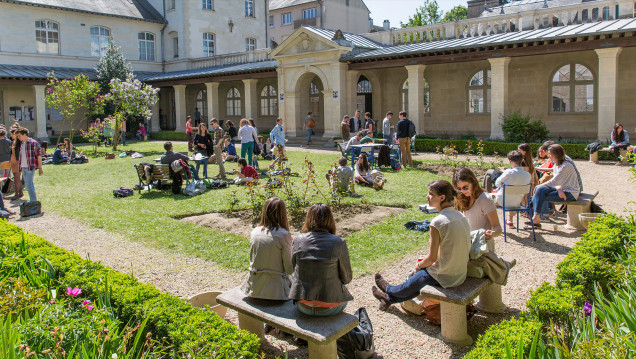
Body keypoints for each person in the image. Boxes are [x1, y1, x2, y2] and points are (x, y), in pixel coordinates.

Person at [372, 180, 470, 310]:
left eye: (431, 194)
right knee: (420, 277)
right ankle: (388, 299)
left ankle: (389, 290)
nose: (427, 197)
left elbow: (431, 258)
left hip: (446, 276)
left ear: (442, 197)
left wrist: (418, 266)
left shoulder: (438, 222)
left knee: (421, 276)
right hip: (460, 272)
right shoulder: (460, 215)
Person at [290, 203, 353, 316]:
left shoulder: (298, 240)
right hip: (330, 307)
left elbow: (292, 268)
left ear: (308, 218)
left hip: (303, 305)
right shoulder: (338, 242)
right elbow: (347, 278)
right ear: (330, 219)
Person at [241, 197, 293, 300]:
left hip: (254, 288)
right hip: (276, 291)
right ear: (283, 214)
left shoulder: (254, 232)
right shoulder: (283, 235)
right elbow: (289, 269)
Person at [527, 144, 580, 228]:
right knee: (540, 190)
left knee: (539, 193)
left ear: (556, 154)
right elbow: (557, 182)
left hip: (570, 193)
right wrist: (557, 188)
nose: (548, 156)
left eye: (550, 154)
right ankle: (535, 216)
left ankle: (533, 213)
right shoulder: (557, 164)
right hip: (562, 189)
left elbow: (554, 181)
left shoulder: (566, 166)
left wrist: (538, 186)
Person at [454, 167, 502, 240]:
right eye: (459, 189)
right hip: (468, 243)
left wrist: (492, 233)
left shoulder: (485, 199)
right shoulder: (464, 197)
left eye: (465, 187)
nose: (463, 191)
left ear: (473, 182)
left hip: (482, 246)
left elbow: (498, 228)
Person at [492, 150, 532, 227]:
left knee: (487, 199)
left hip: (502, 201)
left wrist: (503, 185)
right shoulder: (528, 175)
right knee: (513, 197)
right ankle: (509, 220)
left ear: (510, 161)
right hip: (516, 203)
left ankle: (492, 225)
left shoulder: (509, 172)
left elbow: (497, 183)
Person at [15, 128, 43, 202]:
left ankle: (33, 201)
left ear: (24, 134)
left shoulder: (33, 143)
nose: (18, 138)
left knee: (28, 185)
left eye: (19, 136)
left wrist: (40, 168)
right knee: (28, 185)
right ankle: (33, 200)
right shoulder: (23, 144)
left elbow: (38, 155)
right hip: (23, 167)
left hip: (30, 167)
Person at [9, 127, 23, 199]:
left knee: (16, 178)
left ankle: (17, 194)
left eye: (12, 134)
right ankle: (20, 192)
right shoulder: (15, 142)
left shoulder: (17, 142)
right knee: (17, 178)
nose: (11, 135)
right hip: (15, 162)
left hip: (16, 163)